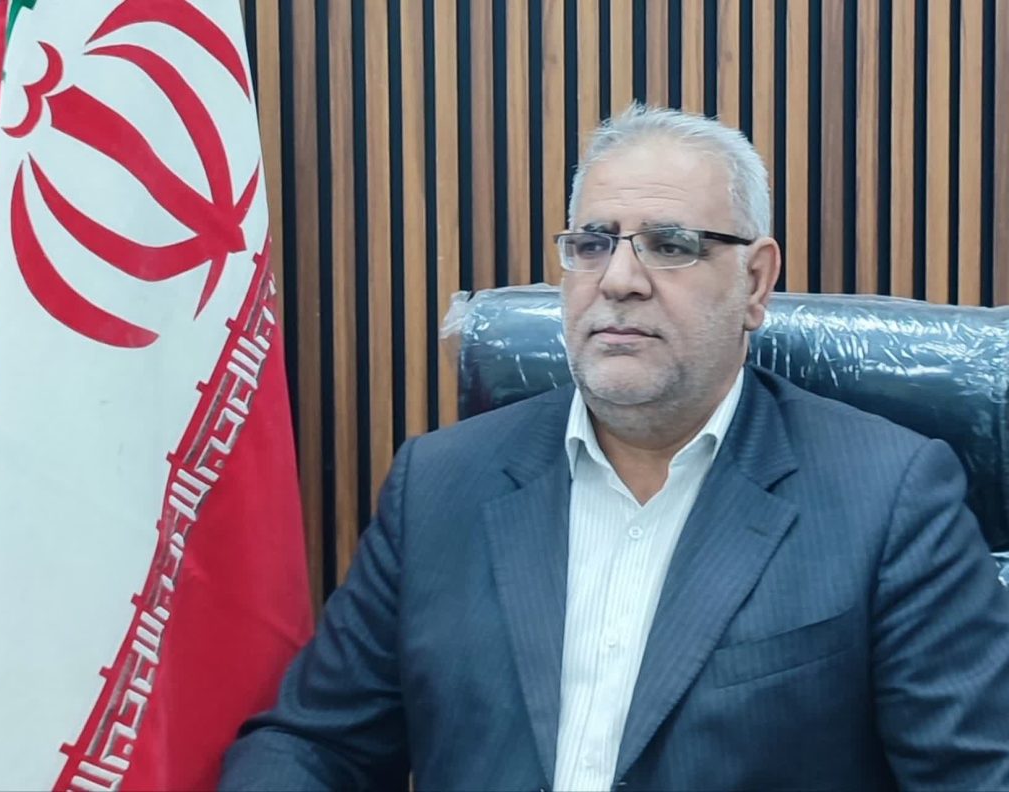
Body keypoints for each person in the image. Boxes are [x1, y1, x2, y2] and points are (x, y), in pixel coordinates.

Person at [219, 104, 1009, 791]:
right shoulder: (439, 486)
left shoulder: (889, 499)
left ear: (755, 282)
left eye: (670, 244)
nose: (620, 279)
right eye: (594, 244)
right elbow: (314, 744)